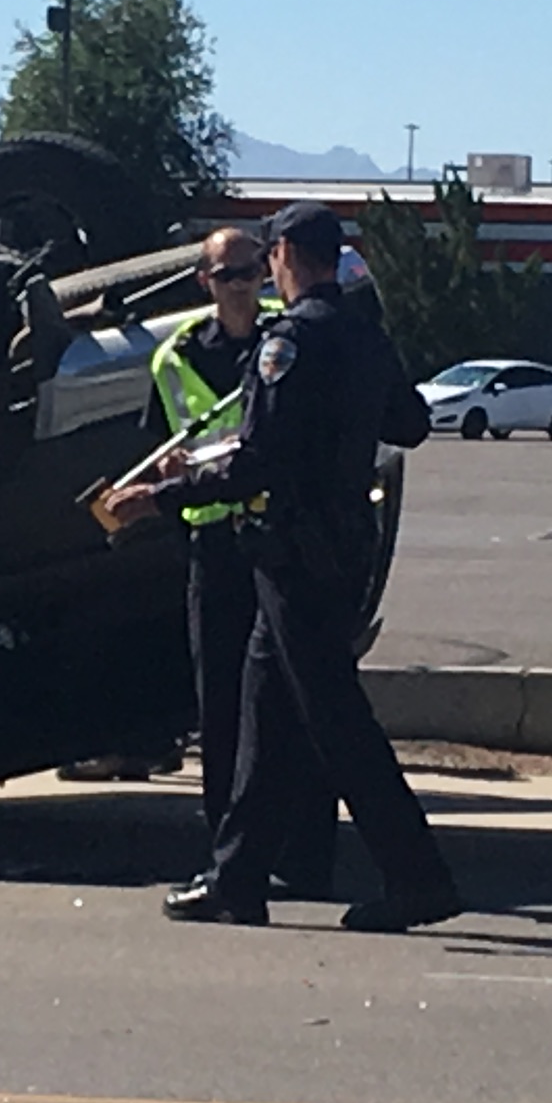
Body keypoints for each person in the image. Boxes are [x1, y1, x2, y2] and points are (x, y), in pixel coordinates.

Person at [164, 203, 462, 933]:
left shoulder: (288, 343)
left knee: (338, 724)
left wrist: (163, 494)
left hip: (296, 552)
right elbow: (410, 424)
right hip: (342, 551)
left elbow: (258, 460)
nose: (267, 266)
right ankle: (237, 878)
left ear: (289, 254)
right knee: (264, 713)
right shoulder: (363, 336)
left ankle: (418, 877)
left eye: (269, 254)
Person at [142, 226, 335, 896]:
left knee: (296, 702)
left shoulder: (289, 338)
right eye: (229, 274)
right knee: (221, 706)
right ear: (206, 282)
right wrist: (168, 478)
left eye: (254, 268)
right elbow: (159, 444)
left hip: (277, 535)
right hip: (215, 545)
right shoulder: (174, 356)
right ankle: (229, 860)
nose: (245, 282)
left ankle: (306, 853)